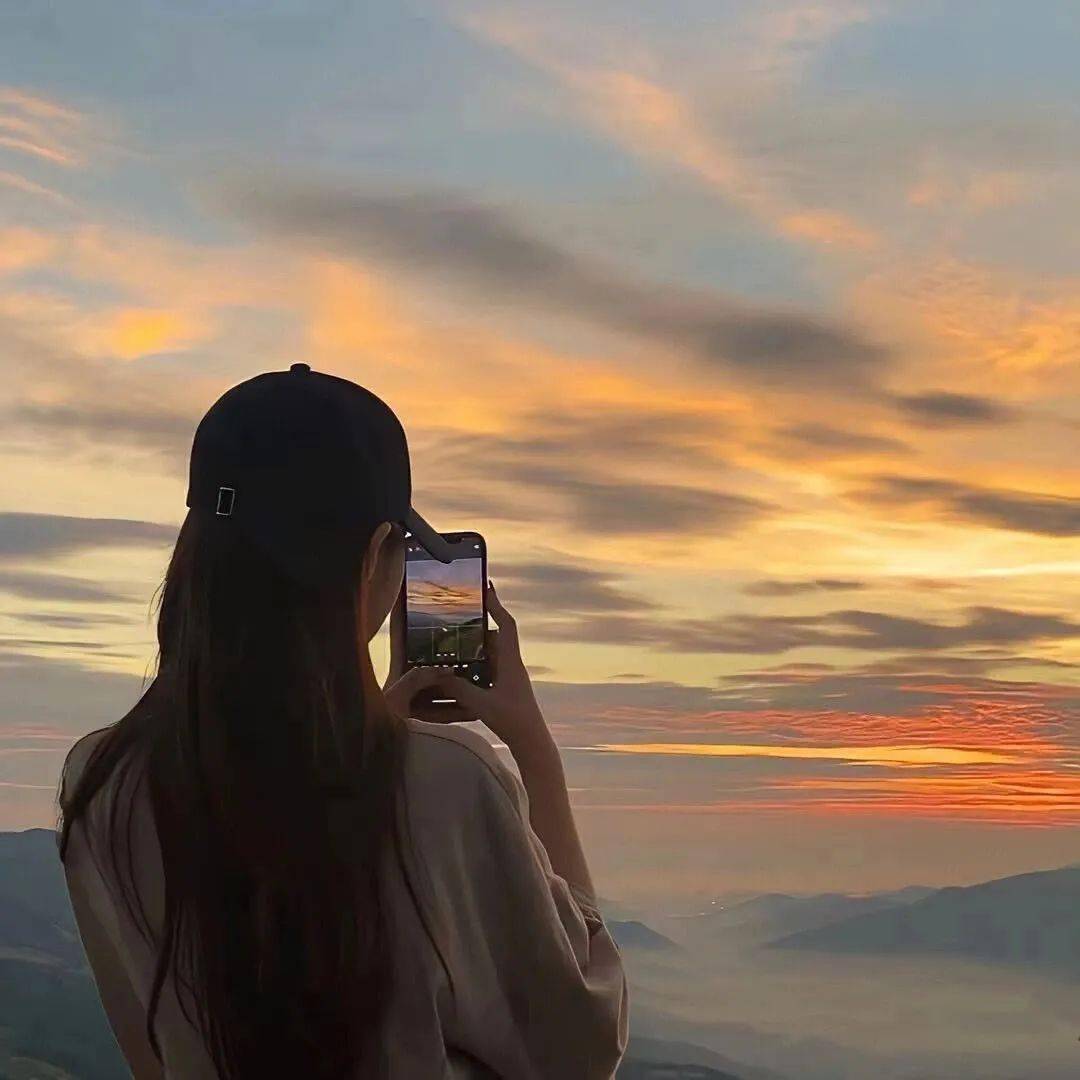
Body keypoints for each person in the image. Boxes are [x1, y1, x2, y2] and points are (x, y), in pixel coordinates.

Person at [56, 363, 629, 1079]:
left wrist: (368, 730)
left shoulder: (101, 783)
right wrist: (534, 751)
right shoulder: (451, 783)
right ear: (374, 557)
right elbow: (580, 1046)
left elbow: (155, 1055)